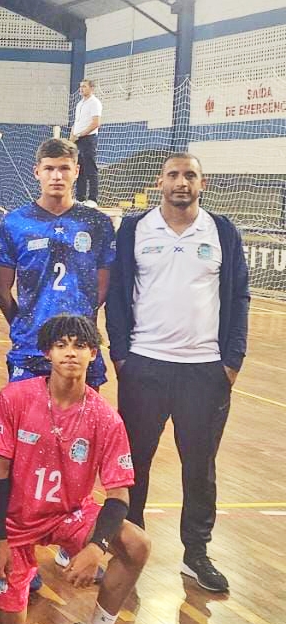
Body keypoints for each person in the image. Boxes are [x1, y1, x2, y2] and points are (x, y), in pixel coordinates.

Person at [106, 152, 249, 593]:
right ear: (160, 182)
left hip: (204, 371)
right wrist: (122, 355)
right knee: (134, 465)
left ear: (203, 183)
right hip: (144, 366)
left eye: (190, 175)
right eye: (173, 175)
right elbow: (117, 295)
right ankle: (129, 546)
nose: (181, 182)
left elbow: (239, 296)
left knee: (200, 468)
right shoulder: (136, 228)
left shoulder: (221, 230)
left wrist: (231, 361)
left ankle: (196, 553)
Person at [0, 315, 151, 624]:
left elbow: (119, 495)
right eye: (61, 345)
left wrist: (96, 547)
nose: (70, 353)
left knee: (137, 544)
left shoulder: (106, 418)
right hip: (15, 519)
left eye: (80, 346)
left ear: (93, 354)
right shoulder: (15, 398)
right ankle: (21, 570)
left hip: (69, 514)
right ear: (48, 353)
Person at [0, 138, 114, 389]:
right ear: (37, 172)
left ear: (77, 171)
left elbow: (104, 287)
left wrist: (81, 316)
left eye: (64, 168)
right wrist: (24, 322)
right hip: (31, 345)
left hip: (80, 346)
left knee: (81, 415)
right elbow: (1, 290)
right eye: (49, 168)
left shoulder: (97, 223)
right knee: (26, 414)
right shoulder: (14, 223)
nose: (57, 176)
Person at [71, 80, 102, 205]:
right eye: (80, 86)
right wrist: (72, 136)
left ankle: (93, 199)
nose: (81, 89)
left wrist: (81, 134)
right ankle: (80, 198)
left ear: (91, 88)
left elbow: (96, 123)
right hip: (78, 139)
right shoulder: (79, 104)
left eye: (84, 86)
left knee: (90, 169)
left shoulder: (95, 103)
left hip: (88, 139)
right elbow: (77, 122)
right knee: (80, 169)